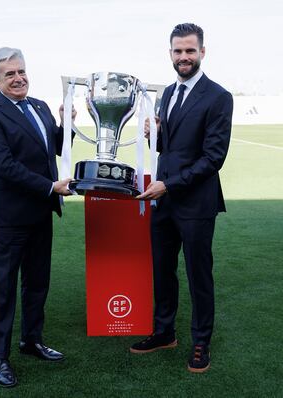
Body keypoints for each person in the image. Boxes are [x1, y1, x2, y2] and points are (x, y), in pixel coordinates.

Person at [130, 23, 233, 373]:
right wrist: (153, 135)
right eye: (178, 51)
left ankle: (201, 341)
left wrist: (169, 185)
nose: (184, 57)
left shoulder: (219, 97)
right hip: (165, 201)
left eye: (190, 50)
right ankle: (164, 332)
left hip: (195, 202)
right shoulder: (168, 94)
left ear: (202, 52)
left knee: (198, 274)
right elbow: (169, 150)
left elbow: (213, 157)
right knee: (163, 270)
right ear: (170, 53)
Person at [0, 47, 76, 387]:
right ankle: (0, 358)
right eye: (9, 74)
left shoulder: (40, 106)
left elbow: (58, 147)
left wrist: (67, 122)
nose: (18, 78)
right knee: (2, 290)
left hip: (40, 214)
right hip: (7, 218)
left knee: (37, 284)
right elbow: (3, 166)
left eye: (21, 71)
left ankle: (31, 341)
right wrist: (50, 187)